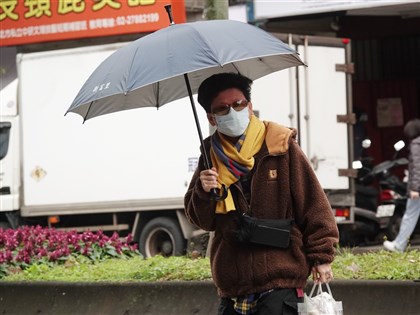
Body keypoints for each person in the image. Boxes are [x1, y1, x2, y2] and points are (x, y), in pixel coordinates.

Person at [184, 72, 339, 315]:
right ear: (211, 118)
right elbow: (203, 220)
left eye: (238, 104)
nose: (232, 112)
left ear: (250, 106)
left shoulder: (280, 145)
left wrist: (322, 257)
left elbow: (313, 202)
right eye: (223, 109)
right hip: (233, 282)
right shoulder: (209, 157)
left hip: (281, 276)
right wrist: (203, 192)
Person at [384, 118, 420, 252]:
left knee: (410, 214)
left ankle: (399, 245)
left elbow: (417, 167)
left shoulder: (417, 144)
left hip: (418, 188)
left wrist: (415, 188)